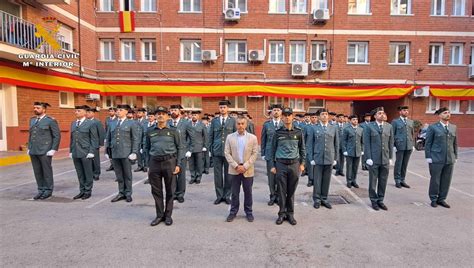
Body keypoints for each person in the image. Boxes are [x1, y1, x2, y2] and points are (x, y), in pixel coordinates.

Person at [145, 106, 182, 226]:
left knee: (170, 190)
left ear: (167, 116)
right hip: (154, 163)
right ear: (155, 116)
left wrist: (178, 164)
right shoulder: (150, 131)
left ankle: (168, 215)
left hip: (169, 162)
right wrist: (148, 164)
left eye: (163, 113)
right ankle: (159, 215)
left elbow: (179, 148)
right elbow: (146, 148)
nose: (160, 115)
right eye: (158, 113)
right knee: (156, 191)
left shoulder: (173, 131)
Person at [270, 107, 305, 225]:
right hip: (281, 164)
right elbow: (272, 149)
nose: (287, 117)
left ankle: (290, 214)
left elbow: (302, 149)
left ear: (292, 116)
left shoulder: (298, 132)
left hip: (294, 164)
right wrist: (273, 165)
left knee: (291, 191)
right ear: (282, 117)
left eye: (289, 115)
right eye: (284, 115)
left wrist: (302, 164)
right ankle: (281, 214)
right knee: (281, 190)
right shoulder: (278, 132)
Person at [224, 117, 259, 223]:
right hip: (234, 170)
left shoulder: (252, 138)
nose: (240, 126)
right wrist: (236, 166)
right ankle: (233, 212)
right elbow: (227, 153)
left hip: (247, 170)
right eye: (238, 123)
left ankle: (249, 212)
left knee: (248, 192)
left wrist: (245, 166)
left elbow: (255, 153)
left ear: (246, 124)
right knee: (234, 193)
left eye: (242, 123)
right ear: (236, 125)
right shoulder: (230, 137)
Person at [106, 104, 140, 203]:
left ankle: (128, 193)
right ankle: (121, 192)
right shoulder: (112, 123)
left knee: (127, 174)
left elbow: (135, 138)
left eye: (121, 110)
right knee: (119, 175)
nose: (118, 111)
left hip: (126, 152)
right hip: (115, 152)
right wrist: (107, 151)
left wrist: (134, 152)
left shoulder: (131, 123)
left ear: (126, 112)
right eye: (117, 110)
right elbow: (108, 137)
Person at [425, 107, 457, 208]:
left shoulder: (453, 127)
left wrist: (455, 155)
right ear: (440, 115)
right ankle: (433, 198)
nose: (448, 114)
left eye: (449, 112)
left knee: (446, 179)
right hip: (436, 157)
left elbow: (455, 143)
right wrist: (428, 157)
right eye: (445, 113)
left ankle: (442, 199)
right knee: (435, 179)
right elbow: (428, 143)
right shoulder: (433, 127)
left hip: (449, 158)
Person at [28, 102, 61, 200]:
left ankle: (48, 190)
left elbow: (57, 136)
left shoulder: (50, 121)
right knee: (37, 171)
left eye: (38, 108)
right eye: (34, 108)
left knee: (46, 171)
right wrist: (29, 147)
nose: (35, 109)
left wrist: (53, 149)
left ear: (44, 109)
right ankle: (40, 190)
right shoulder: (32, 120)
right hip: (34, 150)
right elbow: (31, 135)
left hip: (45, 150)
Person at [363, 107, 394, 211]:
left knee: (383, 180)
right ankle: (373, 200)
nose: (382, 115)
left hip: (384, 158)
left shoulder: (389, 126)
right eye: (379, 113)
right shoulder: (369, 127)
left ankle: (381, 200)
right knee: (373, 181)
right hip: (374, 158)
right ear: (375, 116)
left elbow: (390, 143)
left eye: (383, 113)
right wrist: (368, 157)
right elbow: (366, 143)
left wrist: (390, 157)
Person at [307, 108, 338, 209]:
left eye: (326, 114)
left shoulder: (333, 127)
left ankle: (324, 198)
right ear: (319, 116)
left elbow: (336, 144)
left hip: (329, 157)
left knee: (326, 179)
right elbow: (309, 144)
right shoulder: (313, 128)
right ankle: (317, 199)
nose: (325, 116)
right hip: (317, 157)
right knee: (317, 180)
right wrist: (311, 158)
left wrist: (335, 158)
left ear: (328, 116)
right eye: (322, 114)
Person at [209, 100, 237, 205]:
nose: (222, 109)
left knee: (228, 175)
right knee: (217, 175)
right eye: (220, 107)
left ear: (227, 109)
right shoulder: (214, 121)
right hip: (216, 151)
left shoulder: (233, 121)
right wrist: (209, 149)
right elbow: (210, 136)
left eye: (224, 107)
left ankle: (227, 195)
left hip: (229, 152)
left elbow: (235, 136)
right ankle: (219, 196)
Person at [70, 105, 99, 200]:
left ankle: (88, 191)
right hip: (76, 151)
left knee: (88, 173)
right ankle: (81, 190)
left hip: (86, 152)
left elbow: (94, 139)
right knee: (80, 173)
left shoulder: (91, 124)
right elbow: (72, 138)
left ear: (84, 112)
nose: (76, 112)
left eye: (78, 111)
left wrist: (91, 151)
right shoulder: (74, 123)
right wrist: (71, 150)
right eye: (76, 111)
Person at [168, 104, 193, 203]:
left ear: (179, 111)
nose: (173, 111)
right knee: (172, 174)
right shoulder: (168, 123)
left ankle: (180, 194)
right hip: (170, 152)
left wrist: (189, 149)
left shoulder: (186, 123)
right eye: (172, 110)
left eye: (175, 110)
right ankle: (173, 193)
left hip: (182, 152)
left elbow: (192, 138)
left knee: (181, 175)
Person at [260, 104, 283, 206]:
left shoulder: (284, 124)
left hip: (281, 155)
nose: (276, 112)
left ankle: (279, 196)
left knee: (280, 177)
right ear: (272, 112)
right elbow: (263, 139)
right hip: (269, 154)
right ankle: (272, 196)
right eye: (274, 110)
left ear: (281, 112)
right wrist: (263, 153)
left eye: (278, 110)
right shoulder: (267, 125)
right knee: (271, 177)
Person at [391, 105, 414, 189]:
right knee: (399, 163)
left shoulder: (410, 122)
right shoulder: (395, 122)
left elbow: (412, 134)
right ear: (400, 112)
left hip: (408, 145)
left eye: (407, 110)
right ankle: (397, 179)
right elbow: (392, 134)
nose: (406, 112)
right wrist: (393, 145)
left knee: (405, 163)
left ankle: (402, 179)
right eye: (404, 110)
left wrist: (413, 144)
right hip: (399, 145)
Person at [342, 115, 363, 188]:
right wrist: (345, 150)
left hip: (357, 151)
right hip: (349, 151)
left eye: (356, 120)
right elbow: (344, 141)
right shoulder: (347, 129)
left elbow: (362, 141)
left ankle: (354, 180)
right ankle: (349, 181)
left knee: (355, 167)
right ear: (350, 121)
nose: (355, 121)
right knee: (349, 167)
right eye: (354, 120)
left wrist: (362, 150)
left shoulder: (361, 129)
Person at [188, 111, 208, 184]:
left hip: (199, 147)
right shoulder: (188, 124)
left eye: (195, 115)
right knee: (191, 163)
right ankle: (193, 177)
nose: (193, 116)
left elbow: (205, 136)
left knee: (199, 163)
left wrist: (205, 146)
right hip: (190, 148)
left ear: (198, 116)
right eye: (192, 115)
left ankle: (198, 177)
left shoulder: (202, 125)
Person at [86, 107, 105, 181]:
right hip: (86, 144)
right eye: (87, 112)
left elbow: (101, 133)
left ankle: (96, 173)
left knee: (95, 160)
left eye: (90, 112)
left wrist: (100, 143)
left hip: (95, 143)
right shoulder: (85, 121)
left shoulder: (97, 122)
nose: (88, 114)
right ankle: (90, 173)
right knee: (88, 160)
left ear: (93, 113)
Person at [303, 112, 318, 187]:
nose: (314, 119)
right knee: (310, 166)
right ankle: (310, 180)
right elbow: (304, 139)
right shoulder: (307, 127)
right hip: (309, 149)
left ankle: (316, 180)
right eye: (313, 117)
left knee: (317, 167)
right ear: (310, 118)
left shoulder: (319, 126)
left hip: (318, 150)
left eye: (315, 117)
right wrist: (304, 149)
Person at [143, 112, 156, 184]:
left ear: (154, 117)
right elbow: (142, 135)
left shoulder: (155, 126)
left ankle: (153, 178)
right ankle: (149, 178)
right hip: (146, 146)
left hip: (153, 146)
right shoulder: (145, 125)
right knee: (147, 162)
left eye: (151, 116)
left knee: (153, 163)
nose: (150, 118)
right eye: (149, 116)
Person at [135, 108, 148, 172]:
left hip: (143, 140)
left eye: (140, 113)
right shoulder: (135, 121)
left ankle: (145, 166)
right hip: (137, 140)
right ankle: (140, 166)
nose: (138, 114)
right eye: (137, 113)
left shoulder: (146, 121)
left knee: (145, 153)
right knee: (138, 153)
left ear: (143, 113)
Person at [105, 107, 117, 171]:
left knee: (114, 152)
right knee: (109, 152)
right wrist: (105, 137)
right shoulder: (107, 119)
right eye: (110, 111)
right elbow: (106, 129)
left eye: (112, 111)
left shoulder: (117, 119)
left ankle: (115, 165)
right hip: (108, 137)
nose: (110, 112)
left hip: (114, 137)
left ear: (115, 112)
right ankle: (112, 164)